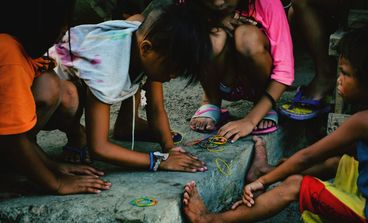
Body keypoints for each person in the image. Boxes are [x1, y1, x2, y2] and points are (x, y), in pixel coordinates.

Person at [182, 24, 368, 223]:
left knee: (296, 184)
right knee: (343, 160)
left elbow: (307, 157)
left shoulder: (367, 122)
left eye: (345, 73)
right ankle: (266, 170)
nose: (338, 79)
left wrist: (264, 183)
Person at [49, 3, 211, 172]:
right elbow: (99, 148)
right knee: (70, 96)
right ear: (146, 48)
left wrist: (169, 148)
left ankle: (126, 125)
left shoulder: (143, 37)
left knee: (136, 73)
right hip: (46, 100)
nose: (173, 76)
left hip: (82, 72)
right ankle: (75, 133)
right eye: (171, 69)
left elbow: (155, 108)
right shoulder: (108, 68)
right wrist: (159, 161)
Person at [0, 0, 110, 195]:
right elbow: (12, 139)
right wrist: (56, 182)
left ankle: (19, 164)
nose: (66, 29)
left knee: (53, 85)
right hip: (9, 143)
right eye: (62, 21)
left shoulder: (15, 42)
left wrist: (51, 165)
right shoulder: (8, 54)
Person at [188, 0, 294, 142]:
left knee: (247, 37)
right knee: (213, 35)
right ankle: (211, 99)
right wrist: (216, 20)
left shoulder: (268, 3)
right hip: (223, 80)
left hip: (258, 85)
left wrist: (250, 120)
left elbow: (284, 72)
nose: (218, 2)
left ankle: (262, 106)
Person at [280, 0, 368, 120]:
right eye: (341, 72)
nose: (339, 80)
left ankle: (325, 74)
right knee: (294, 13)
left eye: (345, 73)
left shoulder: (363, 122)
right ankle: (325, 72)